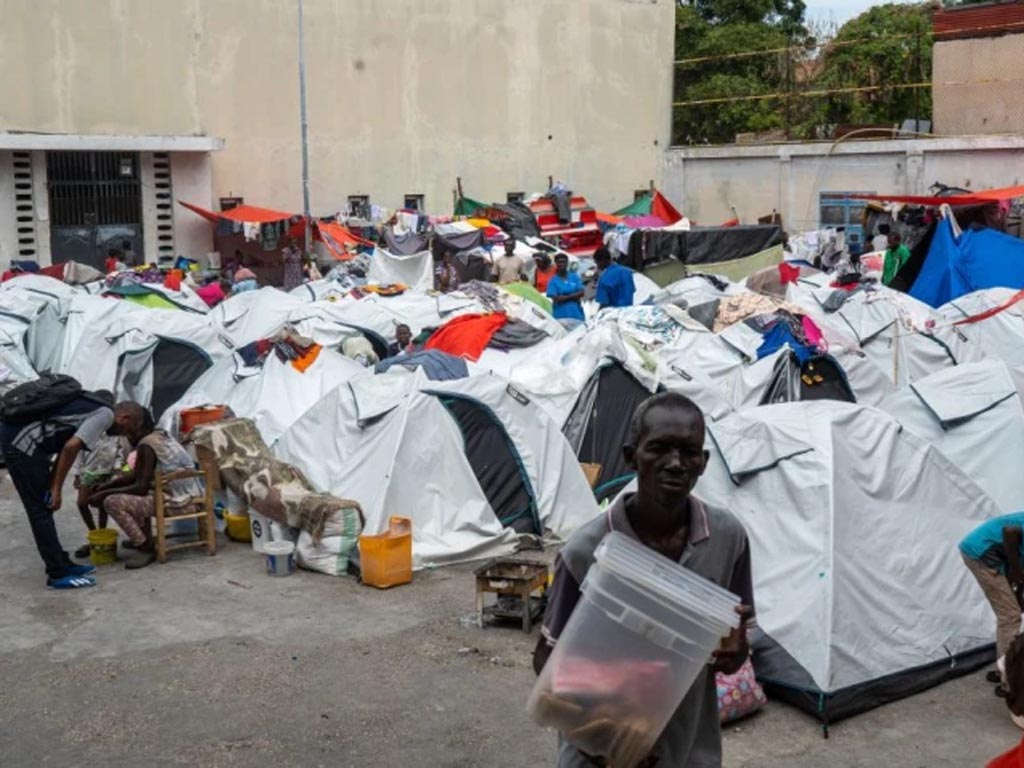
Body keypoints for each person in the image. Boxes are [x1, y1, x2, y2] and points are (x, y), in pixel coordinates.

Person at [534, 392, 754, 768]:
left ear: (704, 463)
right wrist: (604, 742)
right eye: (659, 449)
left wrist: (735, 653)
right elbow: (547, 659)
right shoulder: (587, 549)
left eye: (689, 452)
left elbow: (734, 650)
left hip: (691, 751)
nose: (675, 464)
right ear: (630, 455)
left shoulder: (727, 538)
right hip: (598, 755)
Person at [0, 386, 120, 589]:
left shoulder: (85, 406)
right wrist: (56, 488)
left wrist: (54, 485)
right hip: (21, 443)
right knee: (39, 509)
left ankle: (62, 562)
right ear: (124, 415)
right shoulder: (105, 414)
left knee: (46, 504)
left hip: (26, 441)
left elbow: (66, 449)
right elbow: (71, 447)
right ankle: (57, 573)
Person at [87, 403, 204, 570]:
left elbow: (140, 486)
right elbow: (138, 475)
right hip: (189, 497)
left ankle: (145, 547)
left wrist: (104, 494)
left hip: (180, 503)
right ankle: (143, 538)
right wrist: (107, 486)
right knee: (133, 495)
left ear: (126, 420)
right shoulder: (158, 436)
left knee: (112, 502)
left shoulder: (147, 445)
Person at [960, 513, 1024, 693]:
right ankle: (1009, 682)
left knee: (1009, 613)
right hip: (981, 554)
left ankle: (1001, 670)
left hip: (990, 554)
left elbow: (1017, 580)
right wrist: (1017, 571)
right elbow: (1010, 532)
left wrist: (1018, 598)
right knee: (1010, 617)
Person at [545, 254, 585, 325]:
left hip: (576, 315)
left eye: (563, 262)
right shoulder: (552, 281)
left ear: (567, 263)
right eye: (559, 262)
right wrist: (574, 296)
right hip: (561, 317)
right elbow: (557, 299)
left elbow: (582, 292)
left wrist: (564, 296)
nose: (561, 264)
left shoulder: (574, 276)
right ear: (556, 264)